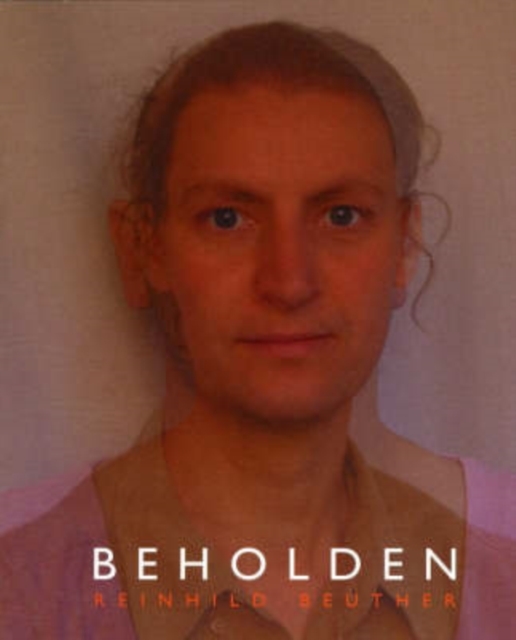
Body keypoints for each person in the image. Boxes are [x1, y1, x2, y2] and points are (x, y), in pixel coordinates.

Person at [0, 20, 514, 640]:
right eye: (226, 218)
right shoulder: (19, 586)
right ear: (143, 249)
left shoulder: (499, 581)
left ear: (405, 245)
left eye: (341, 215)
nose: (289, 282)